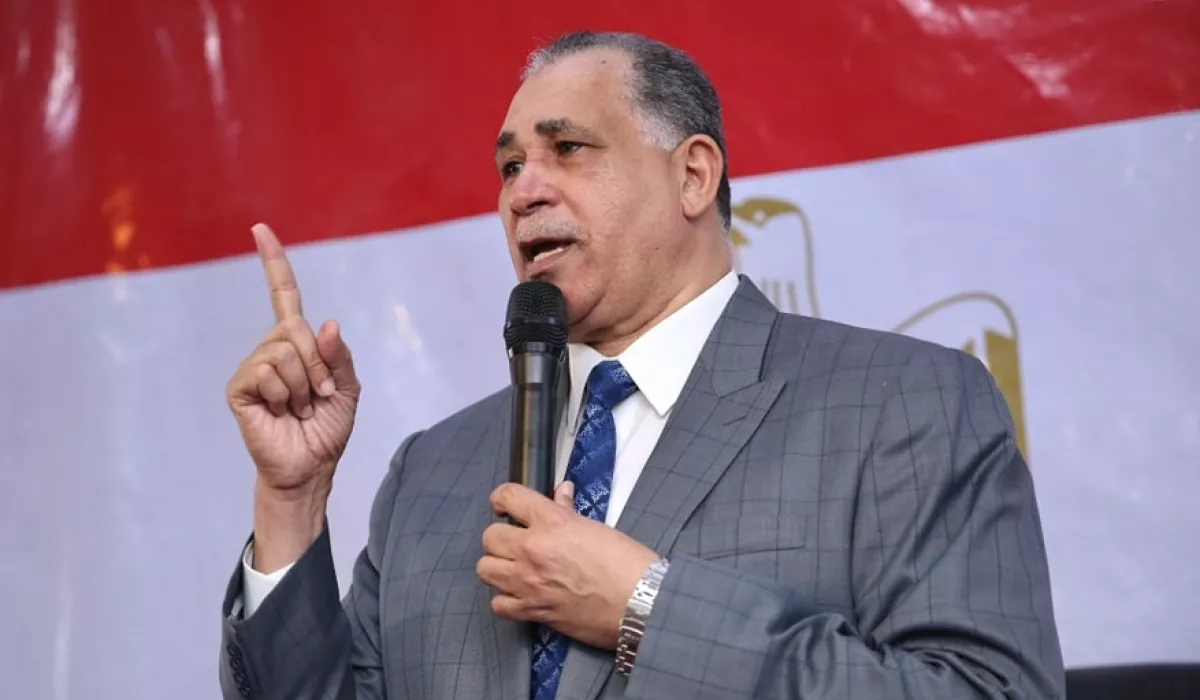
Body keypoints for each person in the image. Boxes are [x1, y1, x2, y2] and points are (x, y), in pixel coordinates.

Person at [218, 31, 1065, 700]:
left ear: (693, 175)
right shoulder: (430, 472)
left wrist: (644, 606)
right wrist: (291, 500)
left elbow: (986, 690)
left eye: (567, 148)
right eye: (510, 165)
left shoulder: (903, 403)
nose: (522, 191)